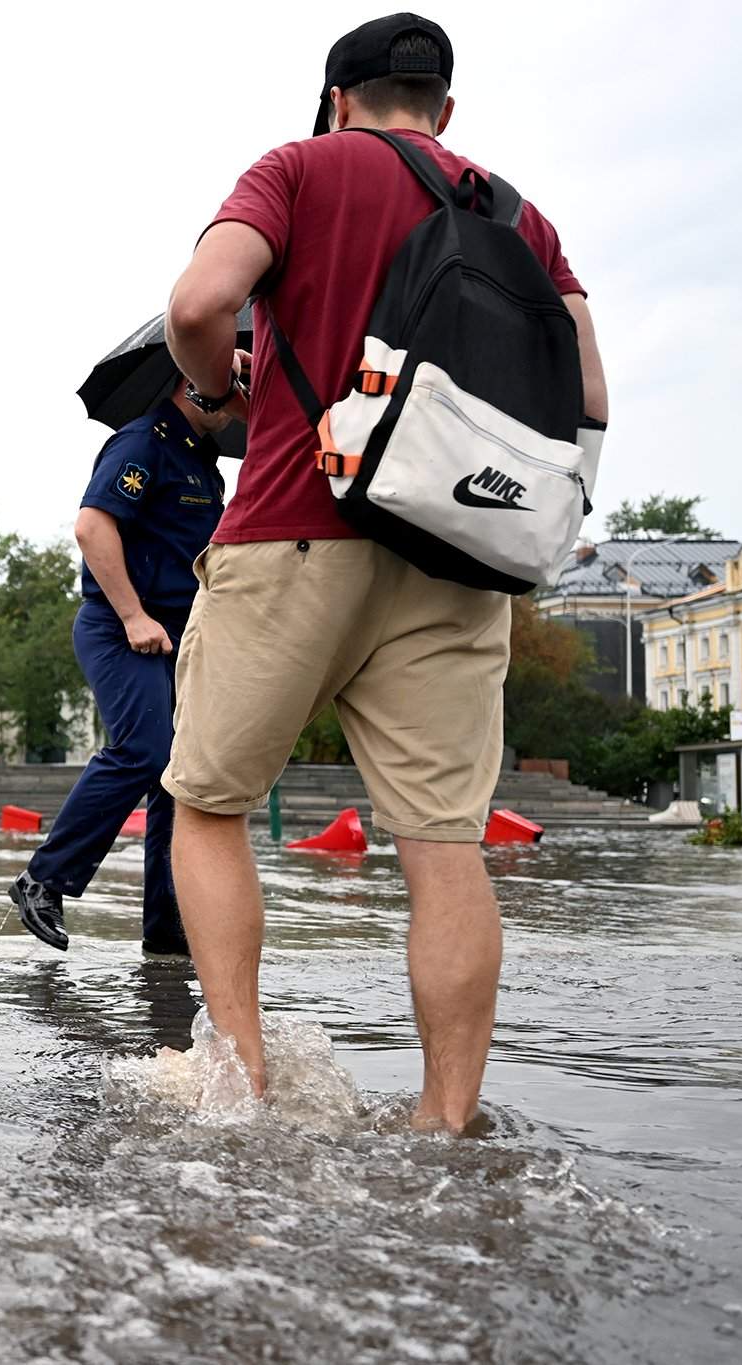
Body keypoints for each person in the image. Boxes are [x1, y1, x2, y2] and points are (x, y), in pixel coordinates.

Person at [161, 13, 607, 1133]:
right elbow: (587, 392)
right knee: (443, 844)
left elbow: (196, 305)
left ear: (333, 98)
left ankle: (241, 1081)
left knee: (207, 805)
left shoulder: (297, 169)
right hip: (458, 557)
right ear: (443, 111)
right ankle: (443, 1119)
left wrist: (225, 394)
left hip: (291, 529)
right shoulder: (516, 214)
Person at [9, 384, 235, 956]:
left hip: (181, 635)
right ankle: (44, 879)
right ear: (195, 382)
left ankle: (167, 925)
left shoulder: (203, 464)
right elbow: (92, 526)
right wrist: (133, 615)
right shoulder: (142, 442)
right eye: (237, 373)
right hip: (120, 626)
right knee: (146, 750)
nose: (246, 386)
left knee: (178, 777)